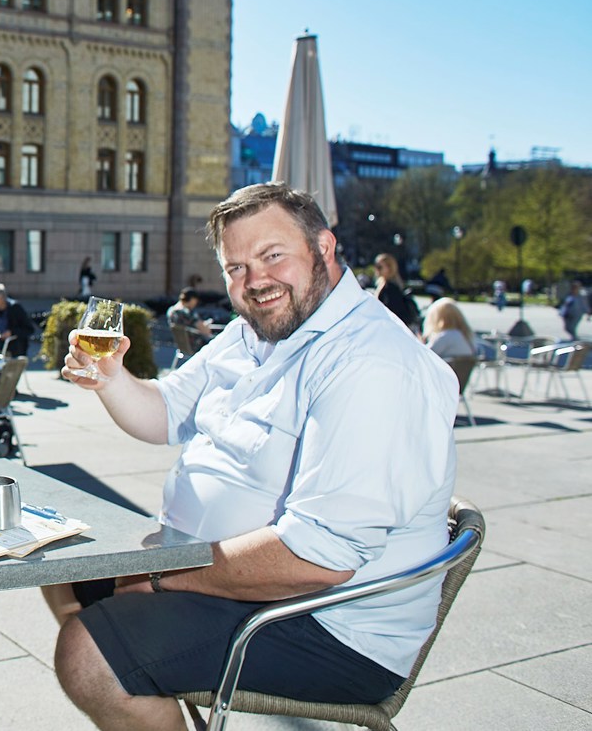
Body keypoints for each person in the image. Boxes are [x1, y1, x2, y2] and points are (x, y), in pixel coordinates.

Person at [50, 182, 457, 730]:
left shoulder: (370, 363)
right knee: (62, 569)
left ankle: (133, 669)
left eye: (272, 256)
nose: (254, 280)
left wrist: (167, 577)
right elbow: (166, 412)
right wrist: (111, 379)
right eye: (235, 267)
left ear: (325, 248)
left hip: (329, 625)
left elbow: (319, 557)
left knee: (88, 656)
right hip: (221, 574)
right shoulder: (255, 333)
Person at [0, 282, 36, 357]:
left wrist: (11, 332)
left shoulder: (15, 308)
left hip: (12, 344)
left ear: (1, 299)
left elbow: (29, 329)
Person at [373, 253, 420, 334]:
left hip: (391, 330)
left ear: (389, 268)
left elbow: (393, 311)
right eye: (376, 266)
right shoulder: (384, 285)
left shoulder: (391, 288)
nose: (377, 270)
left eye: (379, 267)